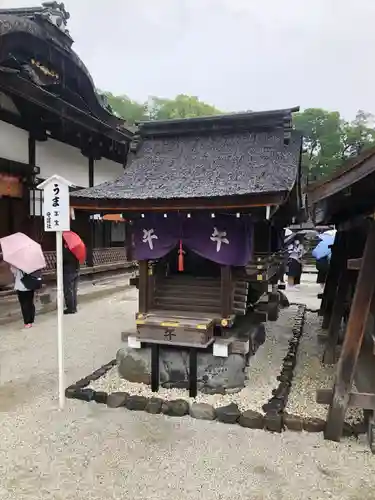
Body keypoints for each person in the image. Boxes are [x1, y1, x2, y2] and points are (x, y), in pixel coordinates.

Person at [63, 242, 80, 314]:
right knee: (74, 290)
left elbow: (61, 261)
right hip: (76, 271)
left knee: (68, 291)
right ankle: (74, 307)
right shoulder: (76, 250)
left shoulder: (65, 251)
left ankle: (70, 308)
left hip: (68, 272)